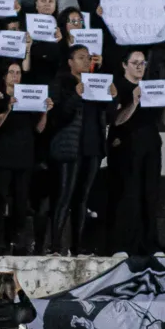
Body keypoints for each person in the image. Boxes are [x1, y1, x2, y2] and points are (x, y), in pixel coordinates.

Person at [48, 45, 116, 255]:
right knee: (65, 195)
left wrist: (112, 96)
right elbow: (58, 116)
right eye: (81, 57)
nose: (86, 61)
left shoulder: (97, 81)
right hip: (71, 145)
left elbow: (109, 114)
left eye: (88, 58)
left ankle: (77, 247)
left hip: (93, 144)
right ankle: (55, 246)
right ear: (70, 61)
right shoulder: (62, 81)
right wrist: (76, 95)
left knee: (82, 198)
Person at [108, 49, 165, 258]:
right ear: (124, 65)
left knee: (150, 195)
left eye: (143, 63)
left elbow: (164, 121)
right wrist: (134, 102)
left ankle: (150, 244)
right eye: (135, 62)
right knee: (129, 195)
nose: (139, 66)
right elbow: (117, 120)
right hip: (127, 146)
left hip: (151, 146)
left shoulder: (151, 87)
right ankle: (123, 245)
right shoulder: (118, 86)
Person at [0, 61, 52, 254]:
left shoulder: (28, 98)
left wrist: (44, 112)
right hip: (1, 157)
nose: (15, 76)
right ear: (4, 76)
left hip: (24, 158)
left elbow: (38, 129)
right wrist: (7, 108)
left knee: (21, 202)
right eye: (11, 72)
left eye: (18, 72)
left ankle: (19, 240)